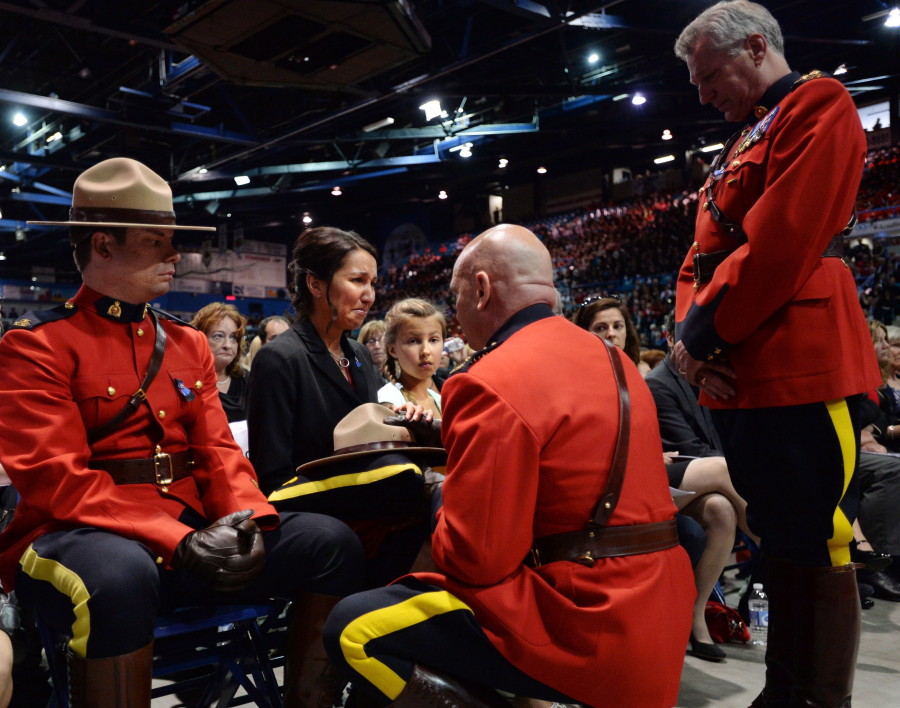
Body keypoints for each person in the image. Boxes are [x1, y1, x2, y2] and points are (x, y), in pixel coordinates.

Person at [0, 157, 366, 707]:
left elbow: (218, 450)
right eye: (157, 242)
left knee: (330, 542)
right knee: (120, 576)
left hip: (191, 533)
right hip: (77, 537)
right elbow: (59, 481)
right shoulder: (37, 344)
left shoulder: (185, 341)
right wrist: (176, 539)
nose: (175, 255)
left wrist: (245, 519)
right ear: (102, 245)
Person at [323, 224, 694, 707]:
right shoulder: (617, 360)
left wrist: (439, 494)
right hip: (663, 607)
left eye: (456, 298)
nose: (456, 316)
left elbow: (477, 559)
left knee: (353, 629)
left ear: (481, 289)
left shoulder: (488, 378)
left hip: (586, 616)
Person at [672, 3, 882, 705]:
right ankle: (784, 691)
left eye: (710, 76)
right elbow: (699, 258)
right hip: (743, 372)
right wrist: (689, 339)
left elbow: (783, 239)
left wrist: (702, 334)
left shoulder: (818, 104)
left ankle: (817, 699)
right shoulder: (741, 141)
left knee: (819, 538)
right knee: (781, 537)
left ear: (756, 46)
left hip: (801, 364)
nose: (703, 95)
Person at [247, 227, 430, 586]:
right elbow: (273, 477)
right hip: (305, 503)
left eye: (373, 283)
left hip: (365, 495)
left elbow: (368, 437)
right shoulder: (279, 358)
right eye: (358, 280)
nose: (369, 295)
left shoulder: (358, 353)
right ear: (315, 284)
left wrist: (407, 422)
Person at [377, 298, 446, 418]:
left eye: (433, 340)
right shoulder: (388, 398)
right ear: (393, 350)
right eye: (413, 341)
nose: (426, 351)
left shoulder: (441, 399)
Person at [190, 302, 248, 423]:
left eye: (233, 337)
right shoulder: (188, 383)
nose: (228, 345)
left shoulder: (247, 379)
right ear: (199, 339)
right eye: (218, 336)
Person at [572, 296, 650, 375]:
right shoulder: (574, 374)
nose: (611, 333)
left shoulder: (642, 373)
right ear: (584, 332)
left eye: (617, 326)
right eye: (600, 328)